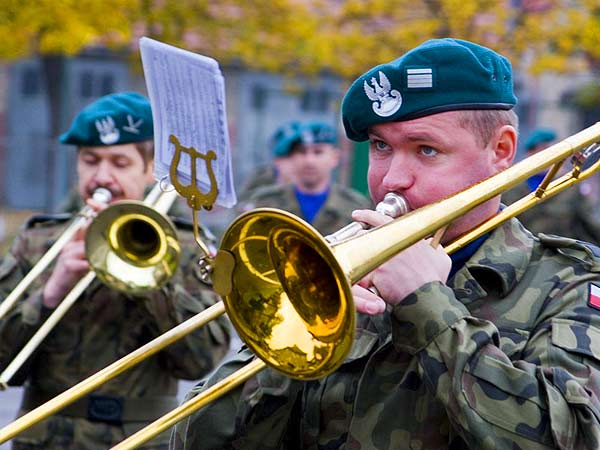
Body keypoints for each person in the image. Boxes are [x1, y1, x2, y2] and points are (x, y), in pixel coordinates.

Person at [171, 38, 600, 450]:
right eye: (380, 146)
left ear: (501, 150)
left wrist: (428, 307)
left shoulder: (569, 281)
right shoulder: (343, 270)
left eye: (426, 150)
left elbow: (574, 439)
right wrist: (294, 343)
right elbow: (195, 439)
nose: (392, 179)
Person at [0, 92, 231, 450]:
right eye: (90, 161)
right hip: (43, 437)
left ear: (149, 168)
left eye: (119, 163)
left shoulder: (186, 247)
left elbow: (200, 362)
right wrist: (51, 291)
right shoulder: (40, 240)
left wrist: (150, 276)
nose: (102, 176)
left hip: (140, 438)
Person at [240, 121, 372, 235]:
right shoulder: (265, 202)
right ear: (293, 157)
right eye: (302, 152)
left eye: (318, 152)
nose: (309, 160)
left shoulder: (354, 207)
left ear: (334, 158)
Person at [502, 127, 600, 241]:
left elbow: (590, 223)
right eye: (537, 151)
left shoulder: (570, 186)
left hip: (560, 254)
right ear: (529, 154)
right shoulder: (511, 186)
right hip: (519, 254)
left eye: (548, 151)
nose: (544, 157)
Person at [237, 121, 301, 203]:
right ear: (276, 160)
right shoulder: (260, 180)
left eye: (300, 153)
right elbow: (242, 206)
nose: (296, 162)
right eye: (288, 156)